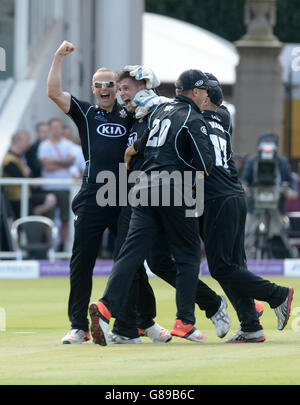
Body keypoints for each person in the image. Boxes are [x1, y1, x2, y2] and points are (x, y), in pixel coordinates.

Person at [88, 69, 219, 347]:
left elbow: (136, 148)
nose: (122, 93)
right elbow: (205, 165)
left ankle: (106, 306)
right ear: (195, 93)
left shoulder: (156, 112)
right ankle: (184, 320)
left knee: (131, 254)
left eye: (126, 88)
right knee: (187, 254)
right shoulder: (188, 116)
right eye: (204, 91)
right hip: (175, 186)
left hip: (141, 188)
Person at [47, 40, 155, 344]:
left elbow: (150, 104)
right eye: (99, 84)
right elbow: (53, 93)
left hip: (124, 194)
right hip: (95, 192)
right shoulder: (85, 113)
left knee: (130, 261)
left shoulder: (132, 113)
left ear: (117, 88)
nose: (105, 88)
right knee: (81, 260)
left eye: (110, 83)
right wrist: (57, 56)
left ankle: (134, 323)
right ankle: (78, 325)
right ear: (93, 89)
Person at [197, 75, 294, 342]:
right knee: (234, 263)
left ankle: (277, 295)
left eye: (193, 92)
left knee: (221, 267)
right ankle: (251, 325)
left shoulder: (196, 120)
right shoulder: (224, 116)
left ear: (205, 97)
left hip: (217, 197)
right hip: (234, 194)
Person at [241, 132, 298, 258]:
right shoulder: (252, 161)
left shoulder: (282, 162)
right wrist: (244, 187)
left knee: (277, 234)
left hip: (277, 205)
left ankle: (277, 257)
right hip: (255, 204)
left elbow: (290, 182)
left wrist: (290, 191)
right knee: (248, 232)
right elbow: (244, 179)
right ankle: (245, 258)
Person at [38, 117, 75, 252]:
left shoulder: (68, 144)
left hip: (64, 187)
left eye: (58, 127)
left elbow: (71, 162)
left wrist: (55, 162)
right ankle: (50, 247)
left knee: (65, 218)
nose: (56, 130)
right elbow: (47, 166)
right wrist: (63, 163)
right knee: (49, 219)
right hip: (49, 187)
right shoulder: (44, 145)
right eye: (53, 128)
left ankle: (61, 247)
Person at [2, 131, 56, 219]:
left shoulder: (20, 157)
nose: (28, 143)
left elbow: (28, 174)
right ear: (19, 142)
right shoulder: (9, 159)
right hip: (17, 199)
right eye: (26, 140)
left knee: (50, 199)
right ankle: (34, 214)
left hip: (25, 195)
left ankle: (34, 213)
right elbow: (21, 178)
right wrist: (32, 180)